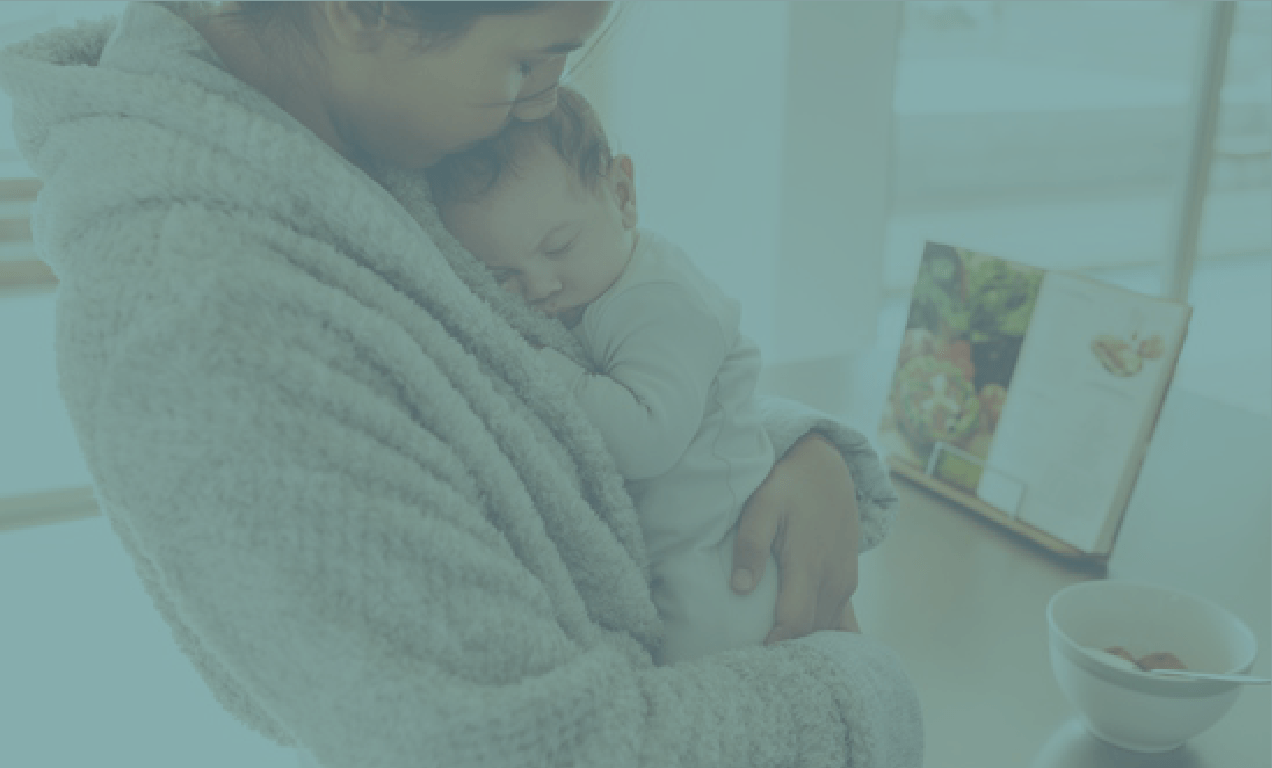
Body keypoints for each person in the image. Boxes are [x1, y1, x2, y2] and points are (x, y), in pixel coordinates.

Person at [0, 2, 923, 767]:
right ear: (361, 10)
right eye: (526, 60)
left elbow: (505, 407)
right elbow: (516, 746)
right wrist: (859, 697)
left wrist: (785, 450)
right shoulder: (202, 324)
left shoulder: (345, 146)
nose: (545, 99)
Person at [425, 85, 853, 666]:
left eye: (560, 246)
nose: (539, 287)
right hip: (676, 549)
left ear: (622, 196)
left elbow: (648, 437)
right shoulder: (596, 287)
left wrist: (538, 364)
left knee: (697, 673)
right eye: (500, 275)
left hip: (721, 558)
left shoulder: (660, 300)